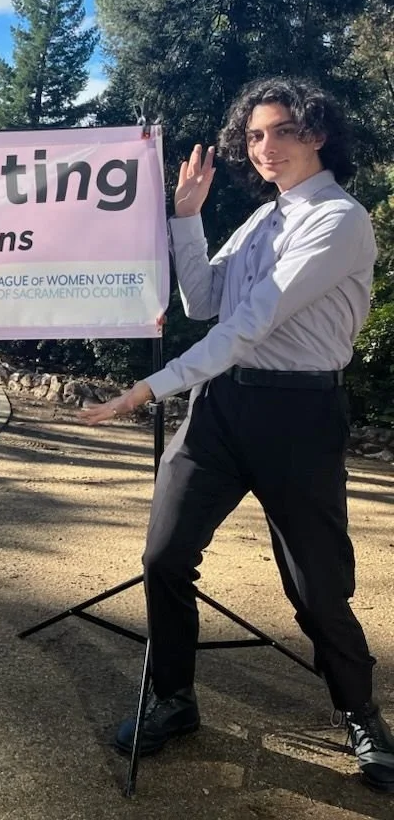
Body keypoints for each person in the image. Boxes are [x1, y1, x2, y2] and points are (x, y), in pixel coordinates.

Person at [78, 76, 394, 792]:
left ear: (317, 134)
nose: (264, 148)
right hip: (222, 410)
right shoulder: (261, 220)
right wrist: (185, 218)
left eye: (281, 131)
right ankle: (173, 698)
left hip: (298, 416)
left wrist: (151, 388)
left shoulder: (339, 220)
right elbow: (205, 300)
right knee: (163, 556)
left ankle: (362, 717)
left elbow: (252, 326)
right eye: (254, 136)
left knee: (317, 587)